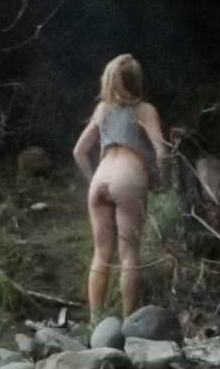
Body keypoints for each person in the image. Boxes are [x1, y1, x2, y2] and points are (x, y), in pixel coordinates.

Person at [71, 54, 170, 321]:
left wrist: (92, 179)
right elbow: (161, 152)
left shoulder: (102, 110)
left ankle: (95, 321)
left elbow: (79, 151)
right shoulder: (144, 110)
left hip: (100, 180)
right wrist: (162, 180)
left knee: (101, 252)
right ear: (137, 80)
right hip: (128, 178)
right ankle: (129, 321)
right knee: (129, 254)